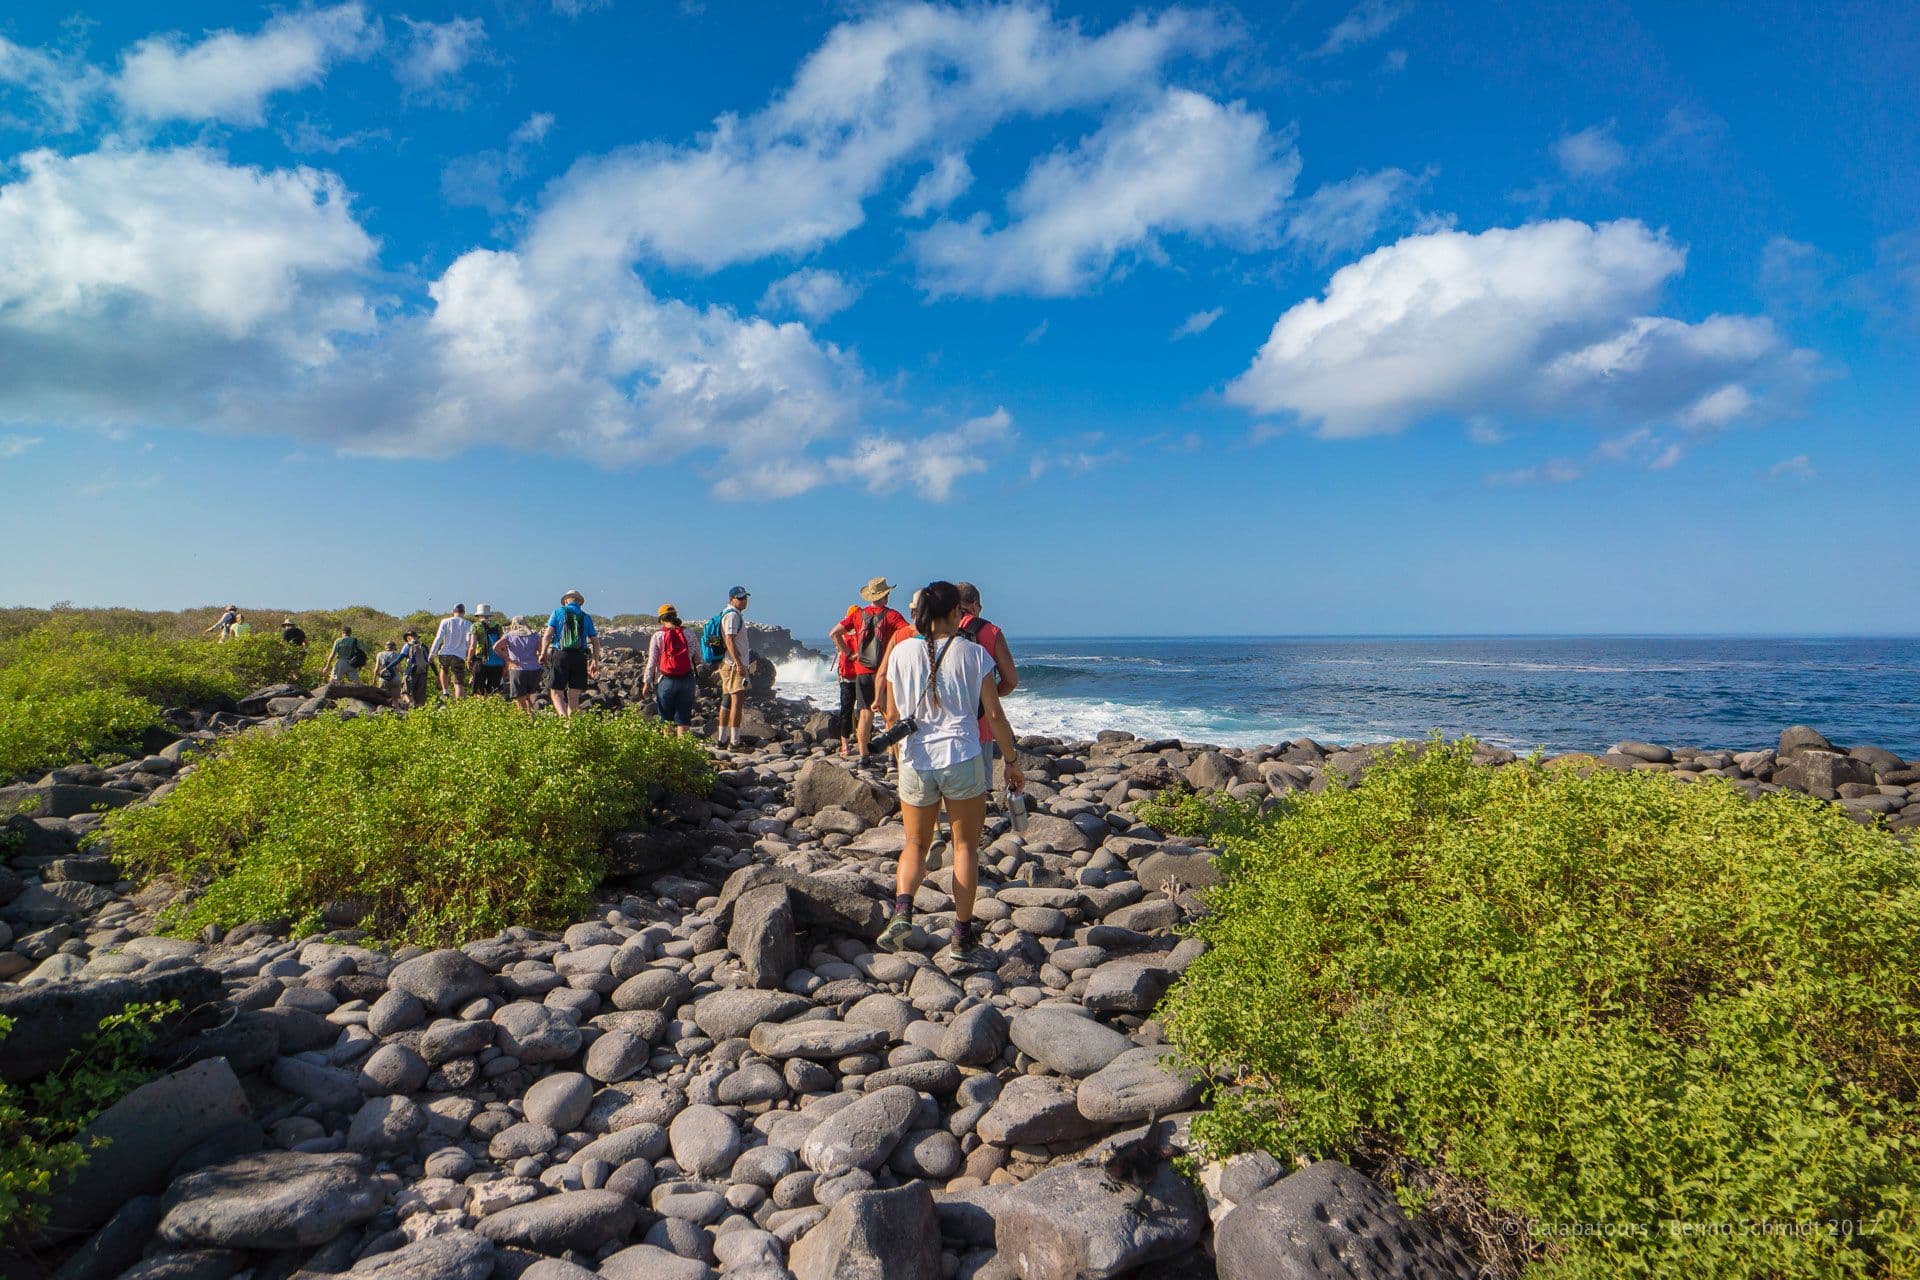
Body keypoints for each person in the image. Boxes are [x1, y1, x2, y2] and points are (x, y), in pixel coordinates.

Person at [873, 581, 1026, 971]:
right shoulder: (974, 654)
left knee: (914, 844)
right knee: (964, 848)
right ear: (958, 613)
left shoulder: (902, 651)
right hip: (961, 757)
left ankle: (903, 913)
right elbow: (994, 714)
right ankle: (961, 937)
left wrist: (899, 755)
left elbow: (890, 715)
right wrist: (1011, 760)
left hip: (915, 760)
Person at [828, 577, 911, 762]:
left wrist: (849, 654)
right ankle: (891, 757)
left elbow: (834, 633)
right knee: (890, 714)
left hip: (862, 671)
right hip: (885, 671)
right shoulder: (893, 616)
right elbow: (909, 633)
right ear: (886, 596)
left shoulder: (858, 615)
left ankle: (864, 757)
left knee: (865, 713)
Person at [955, 582, 1019, 791]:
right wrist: (990, 695)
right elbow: (1011, 680)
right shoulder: (990, 631)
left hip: (942, 723)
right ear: (974, 605)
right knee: (979, 793)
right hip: (979, 722)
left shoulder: (938, 629)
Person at [540, 589, 601, 717]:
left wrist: (543, 653)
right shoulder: (586, 617)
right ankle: (571, 725)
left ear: (566, 601)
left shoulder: (558, 612)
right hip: (580, 657)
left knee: (556, 693)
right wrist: (595, 660)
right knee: (574, 696)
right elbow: (595, 641)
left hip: (561, 655)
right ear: (579, 602)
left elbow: (548, 635)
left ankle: (563, 720)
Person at [643, 605, 697, 737]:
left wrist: (647, 682)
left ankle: (669, 753)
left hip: (666, 680)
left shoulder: (658, 636)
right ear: (676, 616)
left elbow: (652, 661)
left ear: (661, 619)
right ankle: (683, 753)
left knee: (666, 719)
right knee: (683, 720)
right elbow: (699, 657)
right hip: (687, 679)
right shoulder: (689, 633)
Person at [715, 587, 752, 748]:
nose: (743, 600)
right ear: (731, 599)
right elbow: (729, 640)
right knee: (737, 701)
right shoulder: (732, 615)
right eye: (740, 598)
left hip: (729, 664)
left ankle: (722, 739)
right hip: (733, 665)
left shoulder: (732, 614)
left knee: (727, 700)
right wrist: (738, 663)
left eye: (745, 597)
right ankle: (734, 741)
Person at [494, 615, 545, 714]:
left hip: (518, 669)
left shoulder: (509, 635)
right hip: (534, 670)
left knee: (520, 699)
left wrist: (509, 661)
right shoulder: (534, 635)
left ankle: (524, 721)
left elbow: (496, 647)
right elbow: (541, 651)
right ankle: (532, 719)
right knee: (528, 697)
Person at [429, 604, 472, 701]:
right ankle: (459, 703)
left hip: (445, 652)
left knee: (443, 669)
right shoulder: (467, 623)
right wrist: (467, 653)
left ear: (453, 611)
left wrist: (432, 653)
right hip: (459, 655)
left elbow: (438, 638)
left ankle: (445, 691)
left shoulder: (445, 621)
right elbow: (469, 640)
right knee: (458, 682)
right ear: (464, 612)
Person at [468, 605, 505, 697]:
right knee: (493, 692)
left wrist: (468, 660)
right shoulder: (498, 626)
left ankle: (480, 709)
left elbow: (472, 646)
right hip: (497, 662)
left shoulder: (475, 626)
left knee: (478, 691)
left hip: (481, 660)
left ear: (478, 615)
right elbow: (502, 644)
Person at [399, 630, 429, 708]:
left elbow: (399, 659)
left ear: (408, 638)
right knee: (420, 696)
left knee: (404, 692)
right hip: (423, 673)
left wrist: (387, 668)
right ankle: (419, 712)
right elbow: (430, 662)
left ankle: (410, 703)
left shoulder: (407, 646)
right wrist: (436, 675)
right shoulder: (424, 646)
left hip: (410, 673)